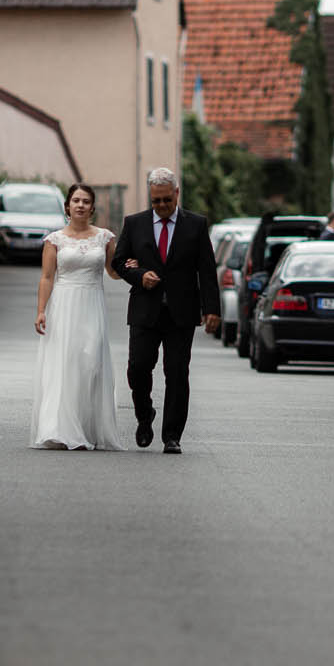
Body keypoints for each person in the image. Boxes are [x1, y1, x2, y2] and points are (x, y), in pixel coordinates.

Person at [111, 166, 220, 454]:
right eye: (156, 201)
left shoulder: (195, 225)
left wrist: (212, 310)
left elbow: (206, 271)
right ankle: (144, 416)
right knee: (137, 369)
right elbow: (119, 262)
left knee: (177, 373)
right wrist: (139, 276)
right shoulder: (134, 224)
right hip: (145, 311)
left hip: (181, 313)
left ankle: (172, 435)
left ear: (176, 194)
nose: (161, 206)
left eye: (166, 200)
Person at [30, 183, 124, 450]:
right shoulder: (54, 240)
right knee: (64, 364)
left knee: (91, 363)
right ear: (67, 207)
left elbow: (113, 272)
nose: (81, 205)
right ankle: (58, 428)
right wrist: (41, 310)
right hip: (63, 304)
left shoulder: (104, 238)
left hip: (92, 304)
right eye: (76, 201)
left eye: (85, 201)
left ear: (92, 207)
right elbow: (47, 277)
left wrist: (130, 267)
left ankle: (87, 427)